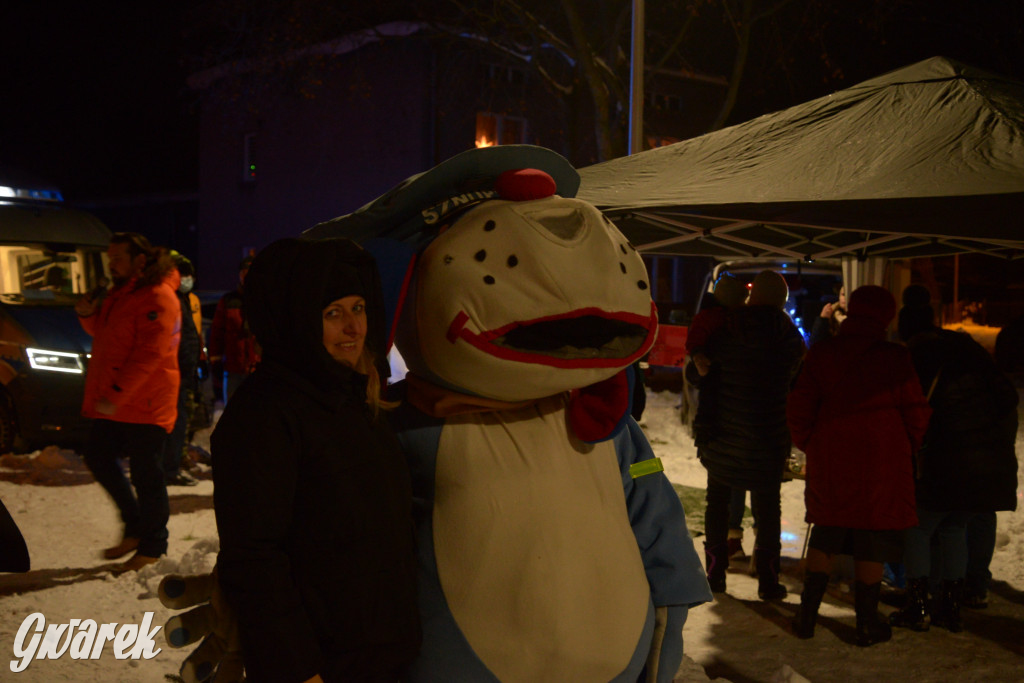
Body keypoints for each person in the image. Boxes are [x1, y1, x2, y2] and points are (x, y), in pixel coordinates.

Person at [211, 237, 420, 681]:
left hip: (384, 652)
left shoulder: (357, 399)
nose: (353, 327)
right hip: (322, 663)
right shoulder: (264, 415)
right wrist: (298, 668)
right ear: (294, 319)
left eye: (359, 307)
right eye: (332, 313)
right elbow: (253, 557)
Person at [787, 285, 931, 646]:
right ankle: (867, 622)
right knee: (873, 537)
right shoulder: (895, 358)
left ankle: (806, 617)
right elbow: (916, 411)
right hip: (883, 458)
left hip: (832, 453)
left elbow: (799, 406)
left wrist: (812, 443)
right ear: (885, 316)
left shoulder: (823, 352)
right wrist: (907, 446)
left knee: (827, 529)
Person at [888, 284, 1018, 632]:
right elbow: (1007, 398)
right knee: (955, 526)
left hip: (947, 457)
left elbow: (910, 412)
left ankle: (917, 606)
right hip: (987, 455)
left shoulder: (914, 357)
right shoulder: (964, 347)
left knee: (918, 526)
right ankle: (950, 606)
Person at [75, 232, 181, 573]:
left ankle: (152, 547)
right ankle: (135, 528)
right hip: (121, 401)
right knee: (98, 455)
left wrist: (115, 394)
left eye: (118, 257)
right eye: (110, 258)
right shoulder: (122, 293)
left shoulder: (157, 296)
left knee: (147, 475)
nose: (111, 264)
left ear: (140, 259)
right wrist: (88, 314)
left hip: (146, 401)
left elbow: (150, 354)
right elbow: (106, 337)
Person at [696, 269, 805, 599]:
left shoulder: (725, 328)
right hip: (767, 440)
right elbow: (797, 384)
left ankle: (715, 575)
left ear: (752, 295)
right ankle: (768, 582)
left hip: (723, 436)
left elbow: (701, 376)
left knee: (717, 503)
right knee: (768, 509)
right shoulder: (788, 337)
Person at [162, 252, 202, 487]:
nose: (188, 280)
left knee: (181, 421)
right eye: (185, 276)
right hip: (175, 373)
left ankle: (173, 464)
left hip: (183, 372)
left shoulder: (185, 299)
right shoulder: (172, 299)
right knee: (175, 422)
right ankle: (169, 467)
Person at [208, 255, 260, 403]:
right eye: (243, 273)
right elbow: (217, 333)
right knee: (232, 412)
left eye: (250, 273)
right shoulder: (228, 301)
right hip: (233, 369)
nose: (247, 277)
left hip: (258, 369)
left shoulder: (264, 301)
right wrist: (216, 360)